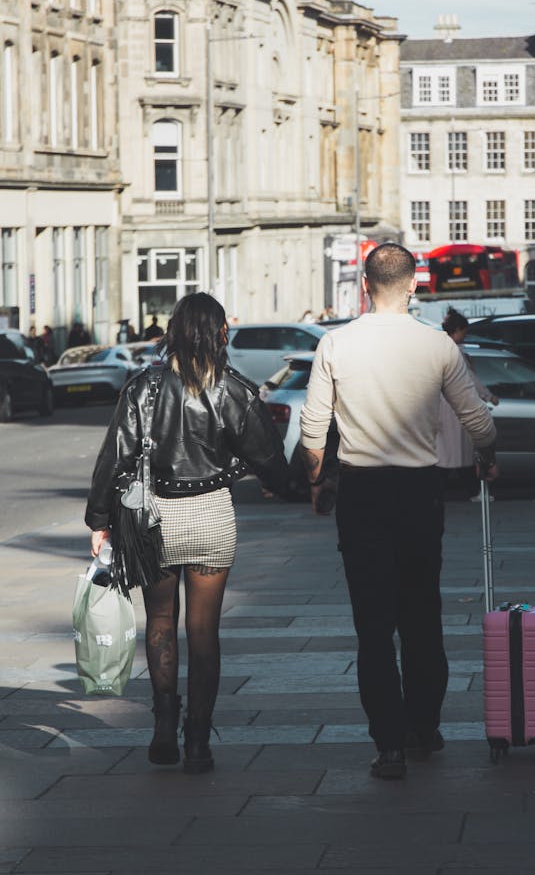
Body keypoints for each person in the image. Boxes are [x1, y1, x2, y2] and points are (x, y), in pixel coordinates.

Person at [299, 243, 497, 781]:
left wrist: (318, 480)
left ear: (365, 285)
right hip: (418, 494)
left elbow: (313, 431)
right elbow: (477, 419)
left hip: (362, 495)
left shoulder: (335, 343)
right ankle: (423, 729)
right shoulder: (437, 346)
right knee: (421, 616)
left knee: (372, 626)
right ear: (415, 285)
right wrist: (487, 454)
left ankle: (387, 745)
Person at [85, 292, 288, 774]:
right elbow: (270, 461)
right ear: (221, 333)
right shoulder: (234, 388)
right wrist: (290, 482)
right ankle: (198, 741)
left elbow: (114, 456)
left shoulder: (142, 387)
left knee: (159, 621)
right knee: (204, 632)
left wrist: (100, 521)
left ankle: (162, 727)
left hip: (153, 516)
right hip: (211, 514)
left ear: (172, 331)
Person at [437, 307, 498, 501]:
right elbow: (469, 378)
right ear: (458, 330)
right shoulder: (455, 352)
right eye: (464, 331)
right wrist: (488, 396)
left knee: (446, 456)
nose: (465, 335)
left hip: (442, 407)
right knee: (461, 454)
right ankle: (474, 491)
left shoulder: (440, 348)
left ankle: (441, 492)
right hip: (455, 407)